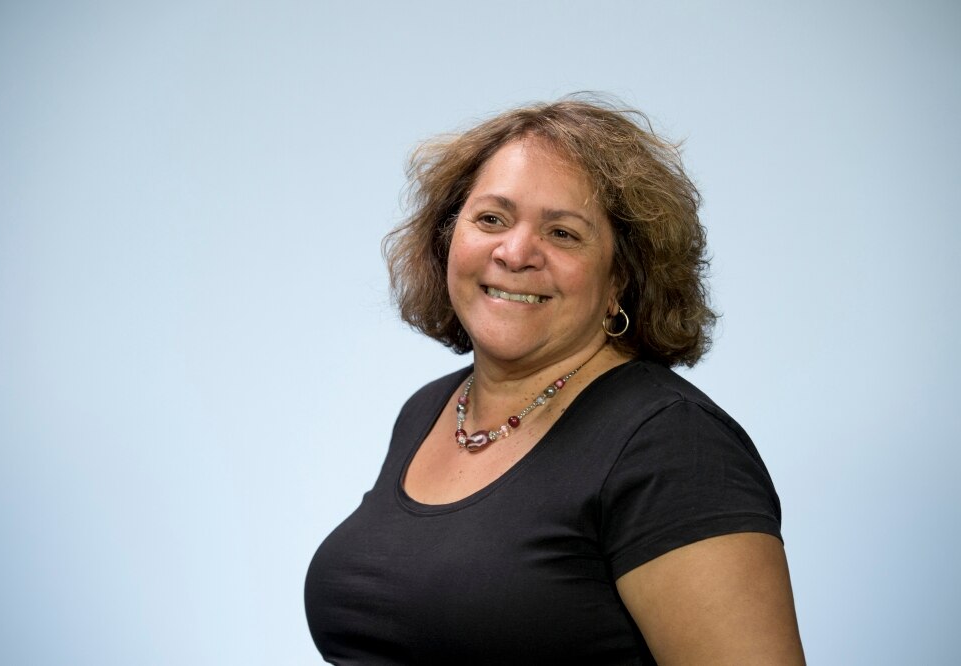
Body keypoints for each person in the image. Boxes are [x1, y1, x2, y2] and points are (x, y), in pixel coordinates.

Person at [304, 97, 805, 665]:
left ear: (619, 278)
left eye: (563, 233)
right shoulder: (431, 410)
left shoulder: (671, 446)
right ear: (448, 240)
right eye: (491, 219)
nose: (515, 253)